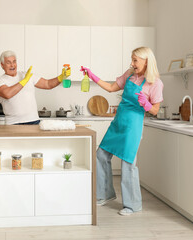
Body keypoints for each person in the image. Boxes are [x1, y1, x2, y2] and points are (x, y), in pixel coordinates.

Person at [81, 47, 163, 216]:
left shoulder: (155, 82)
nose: (132, 64)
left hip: (133, 125)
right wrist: (92, 76)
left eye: (135, 61)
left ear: (146, 61)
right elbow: (111, 88)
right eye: (132, 60)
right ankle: (105, 195)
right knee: (100, 155)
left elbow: (155, 110)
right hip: (119, 122)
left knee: (128, 163)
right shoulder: (130, 74)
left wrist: (146, 105)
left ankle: (132, 205)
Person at [0, 50, 70, 125]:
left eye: (14, 61)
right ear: (2, 65)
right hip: (13, 123)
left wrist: (61, 77)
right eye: (8, 62)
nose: (12, 65)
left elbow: (47, 84)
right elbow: (7, 94)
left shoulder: (26, 75)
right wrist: (24, 81)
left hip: (34, 121)